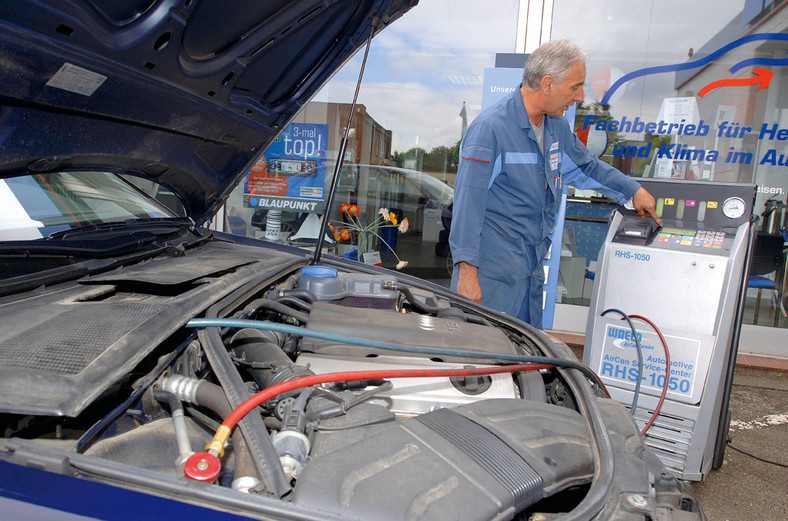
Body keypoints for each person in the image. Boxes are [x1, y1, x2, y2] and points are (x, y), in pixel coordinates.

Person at [449, 39, 661, 328]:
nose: (580, 96)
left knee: (523, 358)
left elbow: (587, 166)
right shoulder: (491, 129)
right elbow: (467, 205)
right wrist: (467, 273)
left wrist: (632, 190)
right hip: (491, 278)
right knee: (483, 362)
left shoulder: (556, 126)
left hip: (529, 272)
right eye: (575, 87)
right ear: (547, 83)